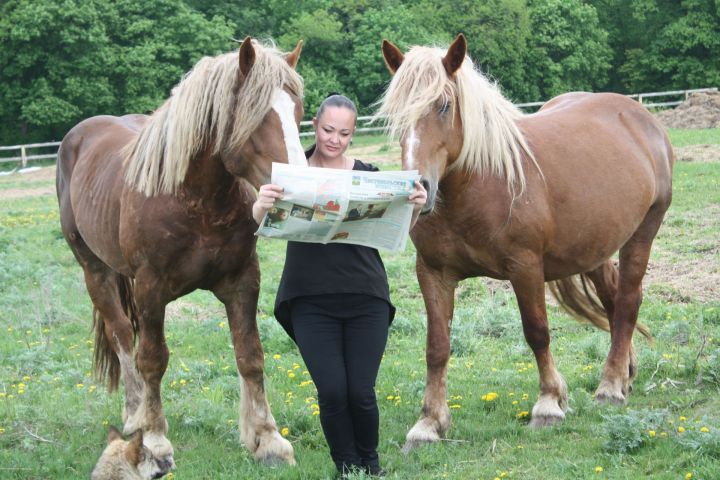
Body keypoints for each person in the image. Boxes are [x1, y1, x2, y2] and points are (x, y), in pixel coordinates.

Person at [252, 94, 427, 477]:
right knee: (332, 392)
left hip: (366, 297)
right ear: (314, 125)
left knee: (361, 393)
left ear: (352, 133)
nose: (335, 139)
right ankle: (347, 467)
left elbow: (398, 233)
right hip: (309, 299)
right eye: (329, 130)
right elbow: (260, 222)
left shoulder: (368, 173)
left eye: (344, 133)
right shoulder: (294, 172)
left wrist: (414, 206)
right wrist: (262, 203)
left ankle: (371, 463)